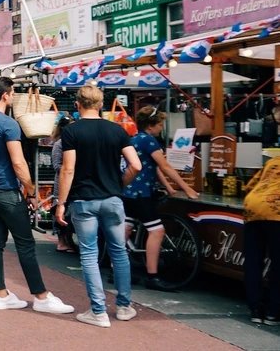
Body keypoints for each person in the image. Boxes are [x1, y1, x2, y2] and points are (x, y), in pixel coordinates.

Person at [0, 78, 74, 314]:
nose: (14, 96)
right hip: (7, 189)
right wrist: (31, 190)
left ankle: (1, 294)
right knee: (25, 243)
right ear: (6, 95)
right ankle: (40, 296)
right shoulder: (9, 124)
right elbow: (18, 162)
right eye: (13, 92)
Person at [55, 84, 142, 328]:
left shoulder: (72, 132)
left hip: (84, 201)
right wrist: (118, 185)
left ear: (77, 105)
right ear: (101, 105)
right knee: (119, 251)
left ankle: (98, 311)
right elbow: (136, 166)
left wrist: (61, 203)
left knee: (90, 255)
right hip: (112, 199)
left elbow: (68, 168)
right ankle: (124, 307)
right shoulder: (117, 130)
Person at [125, 107, 200, 292]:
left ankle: (116, 269)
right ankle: (152, 275)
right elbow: (165, 166)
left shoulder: (134, 139)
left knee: (126, 228)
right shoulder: (150, 141)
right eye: (159, 125)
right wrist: (187, 188)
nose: (161, 128)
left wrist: (168, 187)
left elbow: (153, 167)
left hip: (128, 191)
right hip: (142, 193)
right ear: (150, 126)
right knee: (157, 231)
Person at [244, 157, 280, 325]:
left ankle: (256, 309)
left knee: (253, 261)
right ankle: (273, 312)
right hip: (276, 211)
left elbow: (249, 185)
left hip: (253, 208)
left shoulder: (273, 161)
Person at [50, 118, 77, 253]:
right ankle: (61, 242)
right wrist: (69, 171)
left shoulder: (74, 142)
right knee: (60, 208)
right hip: (62, 182)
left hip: (74, 181)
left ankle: (69, 240)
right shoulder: (59, 144)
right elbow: (57, 166)